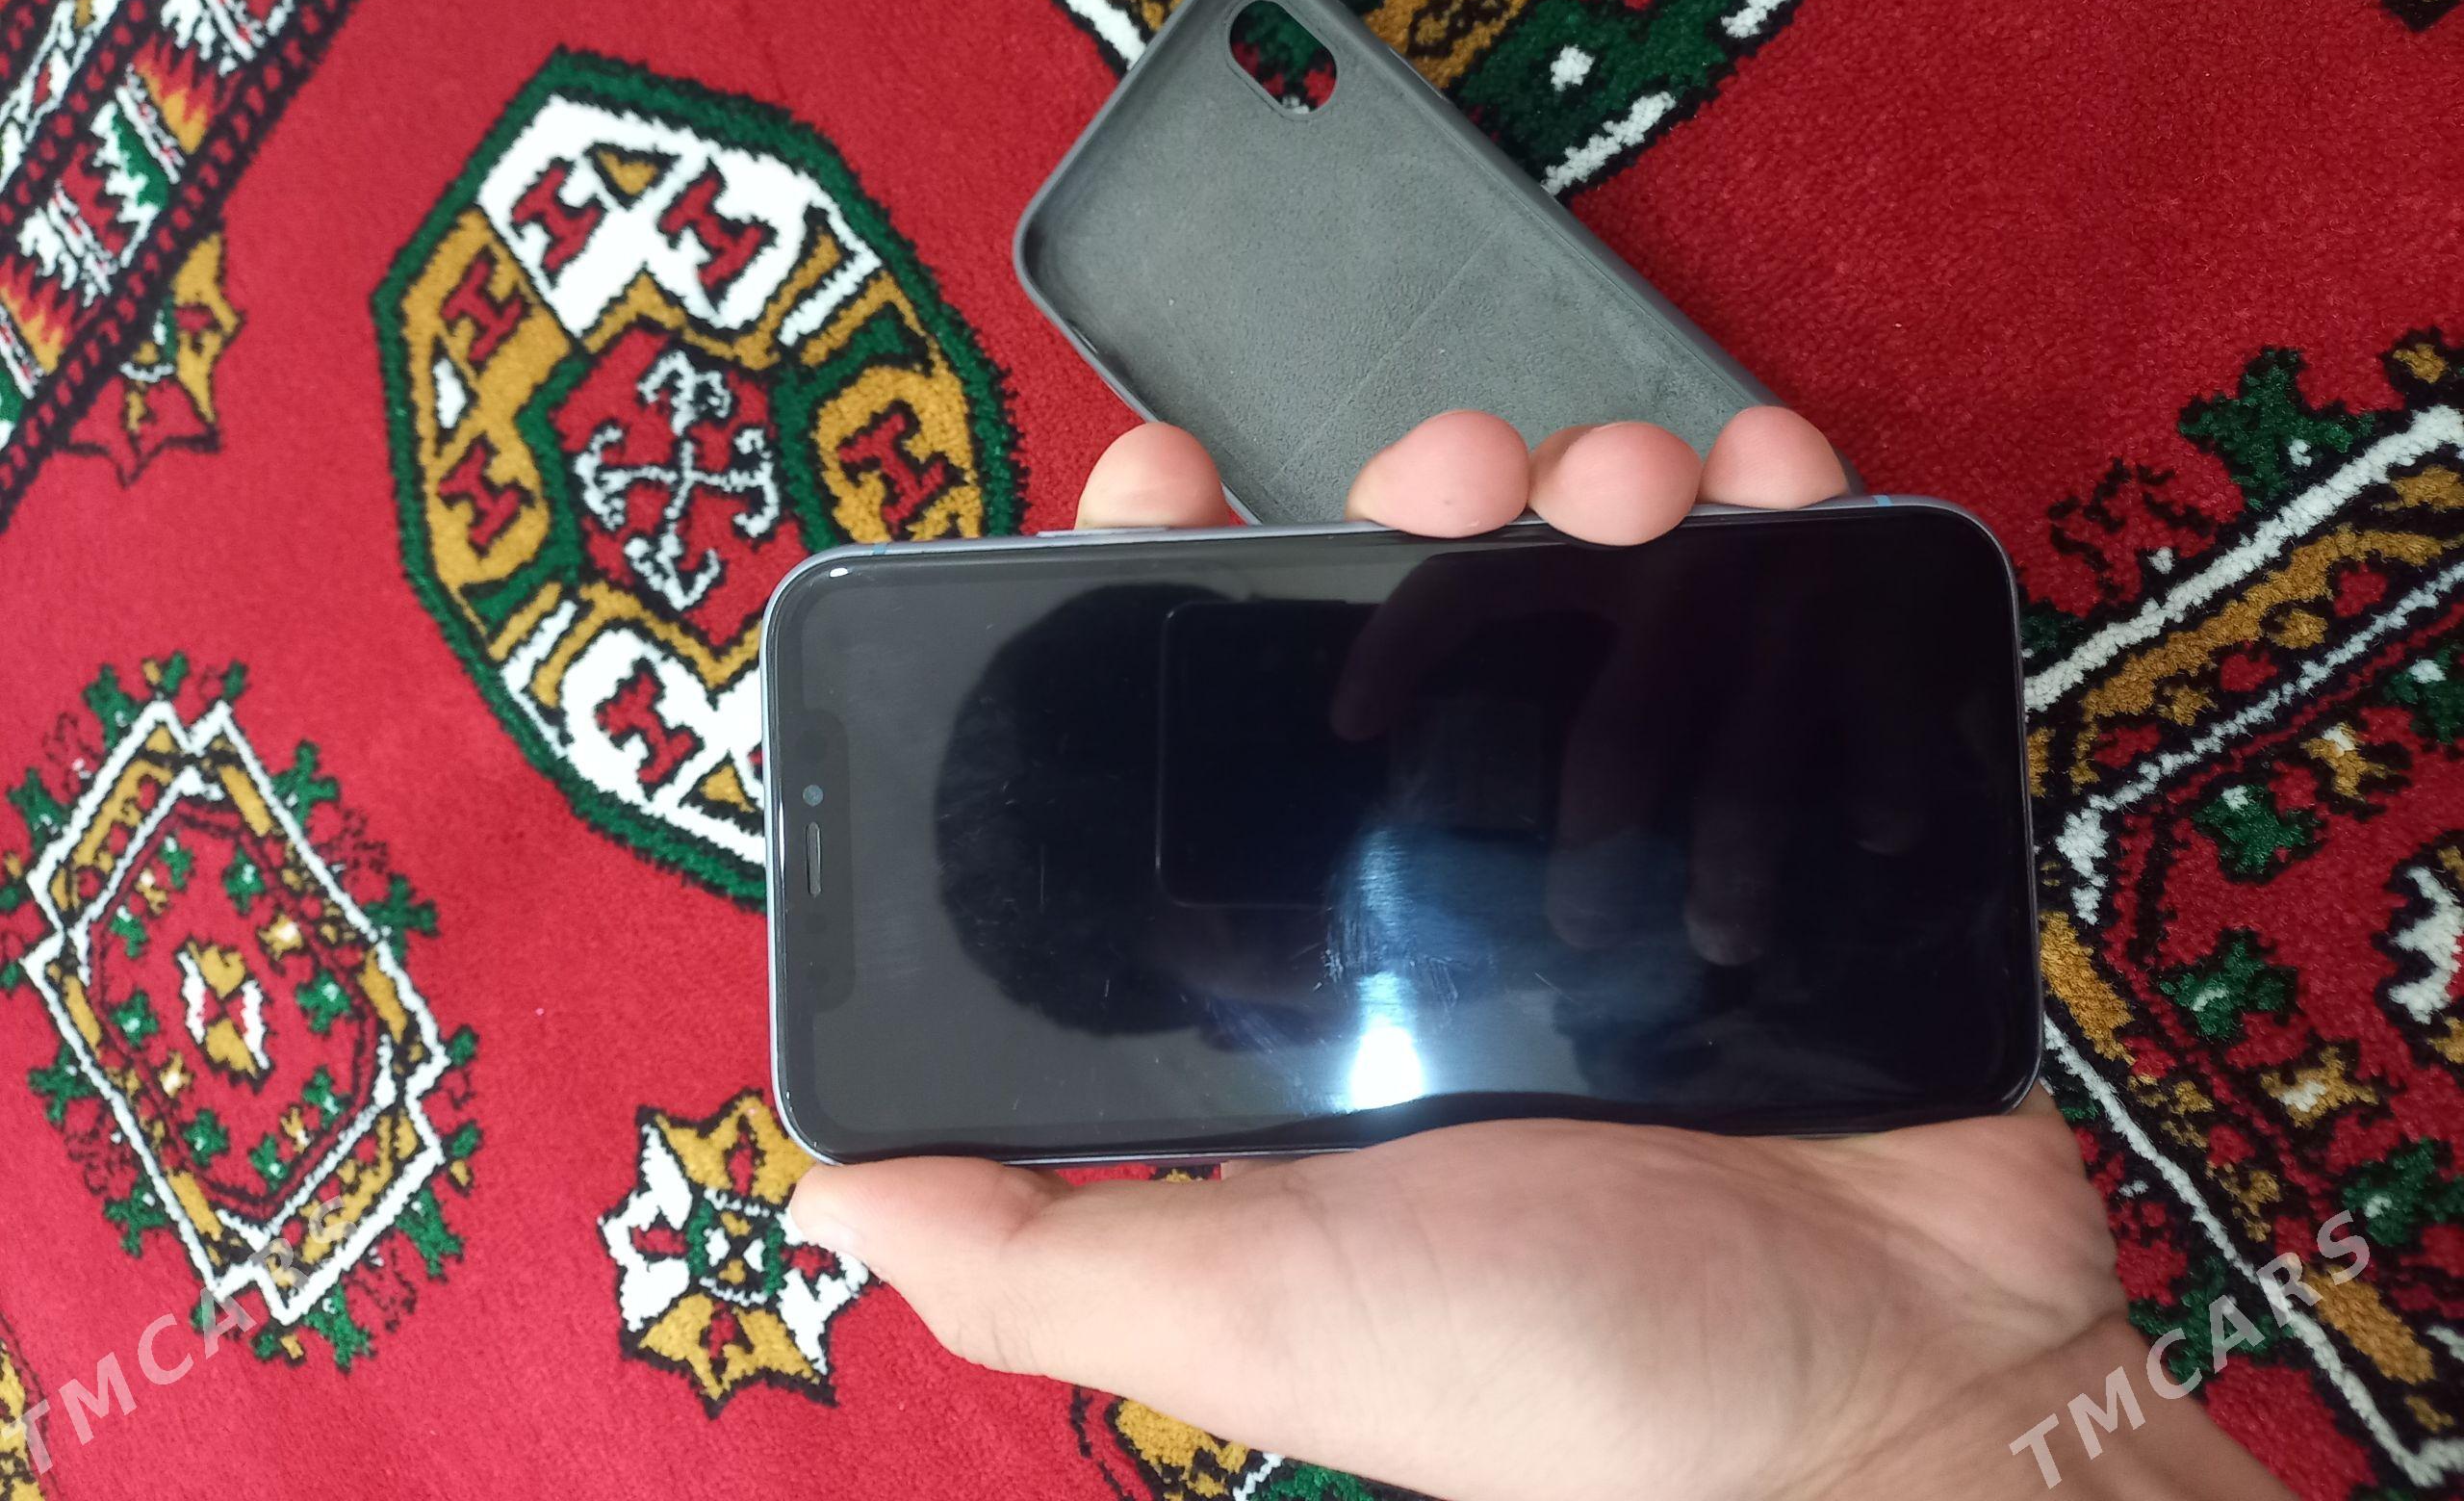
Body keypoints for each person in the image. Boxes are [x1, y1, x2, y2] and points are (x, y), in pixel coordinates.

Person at [788, 408, 2294, 1501]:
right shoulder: (1686, 1094)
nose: (1338, 847)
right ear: (1239, 1050)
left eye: (1270, 770)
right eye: (1261, 909)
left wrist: (1951, 1421)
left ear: (1295, 647)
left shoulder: (1535, 672)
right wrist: (1930, 1420)